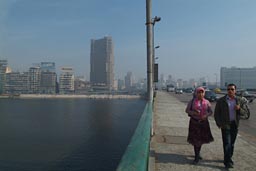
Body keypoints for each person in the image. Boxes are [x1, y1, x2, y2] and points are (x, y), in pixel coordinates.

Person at [214, 83, 246, 169]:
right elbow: (216, 113)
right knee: (227, 143)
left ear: (235, 90)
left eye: (232, 89)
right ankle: (227, 162)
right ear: (226, 90)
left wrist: (239, 109)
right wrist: (219, 123)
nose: (230, 91)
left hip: (234, 125)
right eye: (228, 89)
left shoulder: (239, 100)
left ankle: (228, 157)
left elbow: (244, 113)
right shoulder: (221, 100)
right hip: (225, 125)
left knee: (231, 144)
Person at [185, 87, 214, 164]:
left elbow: (211, 112)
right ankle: (196, 157)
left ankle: (198, 153)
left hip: (203, 123)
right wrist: (193, 113)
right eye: (198, 92)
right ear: (196, 93)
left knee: (200, 140)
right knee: (195, 140)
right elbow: (187, 110)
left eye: (202, 92)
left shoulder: (207, 102)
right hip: (194, 123)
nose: (200, 94)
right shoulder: (192, 102)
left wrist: (206, 115)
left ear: (204, 93)